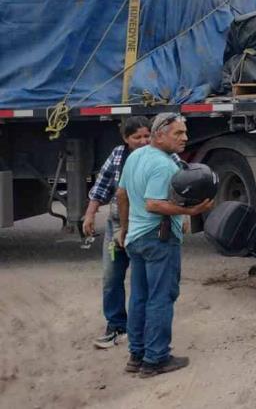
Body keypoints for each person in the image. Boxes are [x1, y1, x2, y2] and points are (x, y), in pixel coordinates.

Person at [117, 112, 213, 378]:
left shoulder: (135, 156)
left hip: (136, 238)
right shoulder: (163, 165)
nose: (185, 138)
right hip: (159, 239)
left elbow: (122, 194)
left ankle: (136, 356)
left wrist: (124, 229)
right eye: (178, 134)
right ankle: (155, 359)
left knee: (139, 297)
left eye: (185, 132)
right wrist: (192, 212)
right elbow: (153, 203)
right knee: (160, 298)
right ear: (159, 135)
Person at [82, 116, 152, 349]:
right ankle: (116, 326)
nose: (143, 141)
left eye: (146, 136)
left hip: (144, 227)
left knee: (144, 279)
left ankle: (143, 328)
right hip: (117, 226)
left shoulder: (160, 156)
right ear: (125, 139)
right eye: (137, 137)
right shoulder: (117, 156)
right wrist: (90, 214)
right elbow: (101, 187)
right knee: (111, 278)